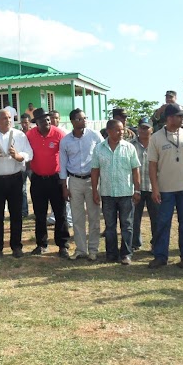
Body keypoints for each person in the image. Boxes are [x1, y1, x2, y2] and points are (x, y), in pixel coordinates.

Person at [148, 103, 183, 268]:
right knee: (163, 223)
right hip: (165, 189)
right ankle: (160, 257)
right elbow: (152, 165)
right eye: (179, 116)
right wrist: (155, 188)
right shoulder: (156, 138)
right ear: (169, 118)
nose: (182, 119)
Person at [0, 109, 33, 259]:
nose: (8, 120)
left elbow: (29, 153)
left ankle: (16, 246)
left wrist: (18, 156)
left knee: (16, 214)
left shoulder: (19, 135)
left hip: (15, 179)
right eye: (4, 118)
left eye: (10, 117)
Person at [91, 120, 141, 264]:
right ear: (109, 131)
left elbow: (135, 170)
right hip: (107, 194)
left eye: (122, 130)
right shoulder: (99, 149)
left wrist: (137, 189)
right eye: (117, 130)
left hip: (126, 193)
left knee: (127, 225)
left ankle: (126, 254)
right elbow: (95, 171)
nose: (121, 133)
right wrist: (95, 191)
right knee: (110, 226)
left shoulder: (129, 147)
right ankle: (111, 254)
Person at [60, 109, 103, 261]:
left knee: (94, 216)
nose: (83, 121)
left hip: (92, 180)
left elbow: (102, 156)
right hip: (75, 181)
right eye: (80, 119)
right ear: (72, 121)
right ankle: (80, 250)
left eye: (85, 118)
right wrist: (65, 187)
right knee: (77, 218)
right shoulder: (65, 141)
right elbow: (63, 164)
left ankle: (93, 250)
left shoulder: (95, 136)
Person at [26, 108, 69, 258]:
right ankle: (41, 244)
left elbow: (66, 155)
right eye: (44, 120)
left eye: (48, 119)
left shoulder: (59, 134)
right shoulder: (30, 135)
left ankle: (63, 245)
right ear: (36, 122)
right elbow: (26, 154)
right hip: (38, 179)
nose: (47, 122)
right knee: (40, 214)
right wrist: (30, 174)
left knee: (60, 214)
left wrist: (65, 180)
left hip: (56, 178)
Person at [131, 117, 159, 252]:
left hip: (154, 187)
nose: (143, 130)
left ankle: (156, 244)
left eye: (146, 127)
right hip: (136, 188)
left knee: (156, 219)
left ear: (152, 129)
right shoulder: (130, 145)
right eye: (141, 127)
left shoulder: (157, 144)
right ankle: (135, 243)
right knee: (134, 218)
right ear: (137, 128)